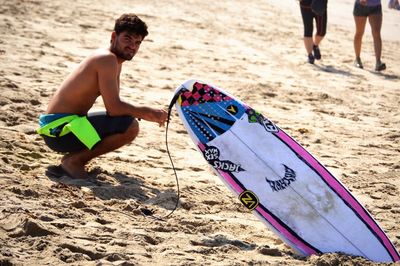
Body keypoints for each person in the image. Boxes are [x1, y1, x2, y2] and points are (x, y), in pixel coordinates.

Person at [37, 14, 168, 179]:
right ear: (114, 36)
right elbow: (114, 109)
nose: (132, 46)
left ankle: (73, 160)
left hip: (60, 127)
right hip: (59, 132)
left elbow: (116, 108)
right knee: (130, 126)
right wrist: (147, 112)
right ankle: (74, 161)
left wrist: (136, 111)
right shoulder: (106, 59)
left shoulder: (114, 61)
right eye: (127, 39)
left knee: (126, 119)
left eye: (137, 43)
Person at [353, 0, 386, 71]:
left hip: (375, 6)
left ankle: (378, 62)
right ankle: (357, 59)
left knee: (377, 33)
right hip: (360, 5)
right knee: (359, 32)